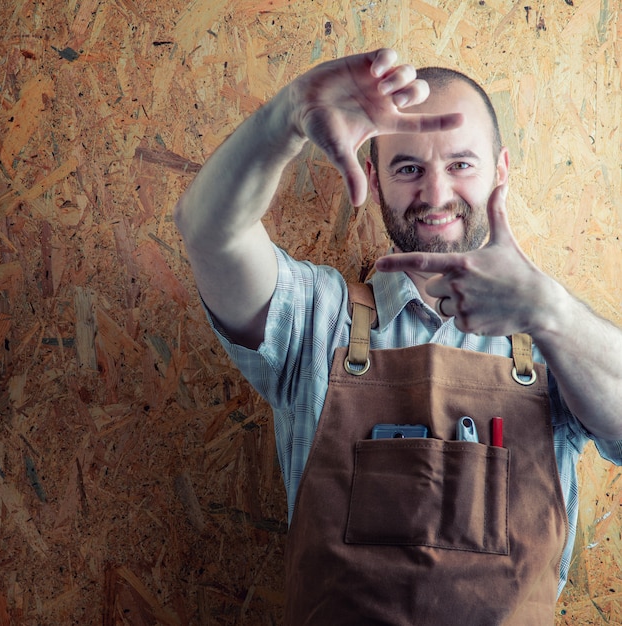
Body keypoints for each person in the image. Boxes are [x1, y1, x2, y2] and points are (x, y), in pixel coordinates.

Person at [174, 49, 622, 624]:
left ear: (501, 170)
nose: (435, 196)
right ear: (377, 180)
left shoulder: (554, 341)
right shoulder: (317, 320)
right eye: (408, 168)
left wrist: (551, 311)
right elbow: (207, 229)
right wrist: (285, 116)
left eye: (462, 164)